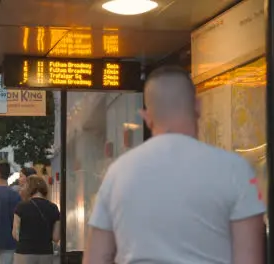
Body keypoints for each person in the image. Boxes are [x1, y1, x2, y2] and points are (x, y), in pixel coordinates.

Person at [83, 66, 266, 264]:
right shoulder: (235, 170)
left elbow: (96, 257)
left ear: (146, 116)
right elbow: (250, 258)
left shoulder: (117, 173)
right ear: (198, 106)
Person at [12, 175, 60, 264]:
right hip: (46, 253)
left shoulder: (21, 207)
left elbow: (15, 234)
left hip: (24, 253)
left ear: (28, 189)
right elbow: (56, 237)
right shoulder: (54, 208)